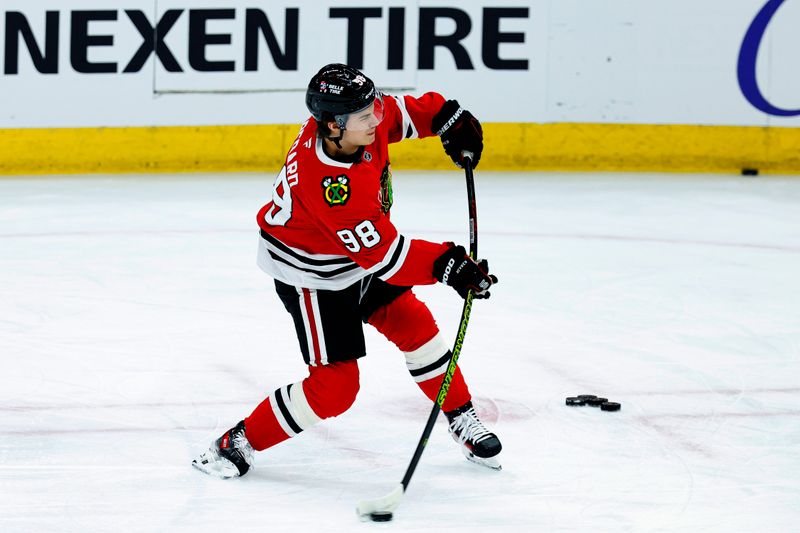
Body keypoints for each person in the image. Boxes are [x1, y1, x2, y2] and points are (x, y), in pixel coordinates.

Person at [192, 63, 501, 479]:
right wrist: (448, 265)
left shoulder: (355, 118)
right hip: (314, 275)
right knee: (336, 388)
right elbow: (387, 256)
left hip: (358, 256)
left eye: (373, 107)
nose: (377, 117)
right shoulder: (331, 186)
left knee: (416, 327)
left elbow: (404, 112)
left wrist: (447, 117)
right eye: (364, 116)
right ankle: (239, 441)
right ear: (333, 127)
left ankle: (461, 416)